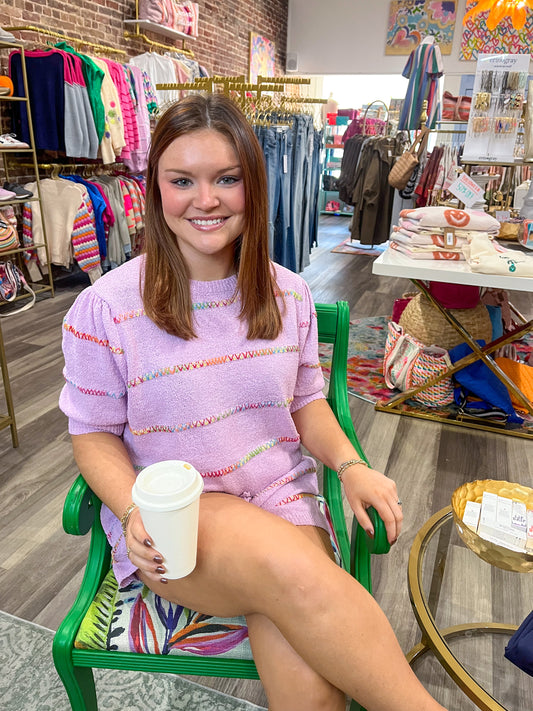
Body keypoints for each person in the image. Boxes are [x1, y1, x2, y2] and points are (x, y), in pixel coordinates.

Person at [60, 94, 448, 711]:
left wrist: (351, 467)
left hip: (282, 499)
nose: (205, 200)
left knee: (317, 693)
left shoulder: (287, 293)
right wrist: (132, 508)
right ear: (156, 187)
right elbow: (93, 433)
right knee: (298, 576)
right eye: (182, 180)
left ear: (253, 185)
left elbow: (305, 404)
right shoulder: (108, 306)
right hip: (179, 518)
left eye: (227, 179)